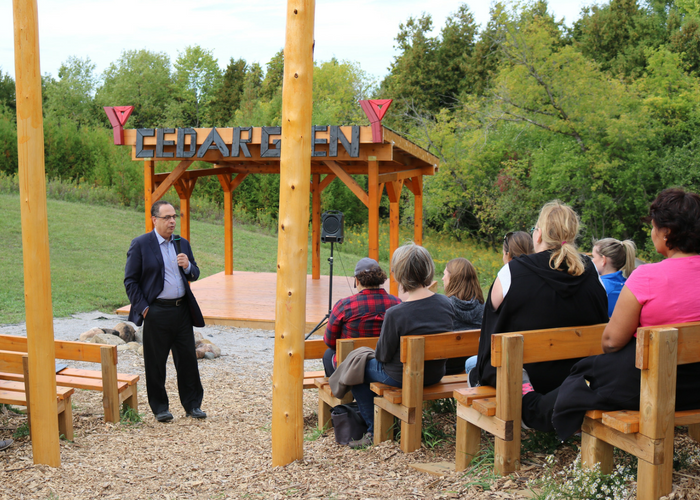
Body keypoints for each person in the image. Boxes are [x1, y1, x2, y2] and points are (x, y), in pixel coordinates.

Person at [551, 188, 700, 440]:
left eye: (654, 227)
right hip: (695, 386)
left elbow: (611, 342)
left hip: (657, 389)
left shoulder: (647, 276)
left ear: (667, 232)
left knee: (585, 372)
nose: (652, 232)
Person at [468, 200, 608, 431]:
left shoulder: (512, 272)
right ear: (572, 235)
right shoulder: (593, 273)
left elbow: (491, 317)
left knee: (474, 364)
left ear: (539, 234)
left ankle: (526, 397)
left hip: (525, 376)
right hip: (575, 377)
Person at [348, 243, 455, 448]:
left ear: (399, 275)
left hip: (400, 376)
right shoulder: (446, 303)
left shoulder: (396, 313)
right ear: (428, 269)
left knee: (356, 367)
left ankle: (373, 430)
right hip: (435, 374)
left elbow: (383, 356)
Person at [124, 200, 206, 422]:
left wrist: (187, 266)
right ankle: (160, 408)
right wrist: (145, 309)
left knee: (188, 360)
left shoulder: (182, 244)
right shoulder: (141, 244)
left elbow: (195, 273)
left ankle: (193, 405)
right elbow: (130, 281)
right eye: (167, 217)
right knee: (156, 362)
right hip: (156, 312)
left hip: (181, 311)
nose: (172, 221)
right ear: (154, 220)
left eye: (174, 217)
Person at [459, 231, 535, 375]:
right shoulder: (538, 275)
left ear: (507, 253)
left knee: (471, 364)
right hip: (536, 354)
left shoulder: (507, 276)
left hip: (510, 355)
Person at [322, 258, 401, 377]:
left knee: (328, 355)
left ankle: (340, 393)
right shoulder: (397, 303)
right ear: (380, 279)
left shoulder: (344, 305)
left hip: (352, 366)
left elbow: (330, 341)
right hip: (385, 363)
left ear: (357, 280)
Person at [441, 258, 485, 375]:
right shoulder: (485, 308)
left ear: (453, 279)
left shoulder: (443, 308)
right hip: (475, 368)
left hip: (447, 370)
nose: (442, 278)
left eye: (445, 274)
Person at [591, 238, 637, 317]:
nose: (592, 261)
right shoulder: (629, 285)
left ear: (603, 260)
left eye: (593, 257)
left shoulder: (599, 287)